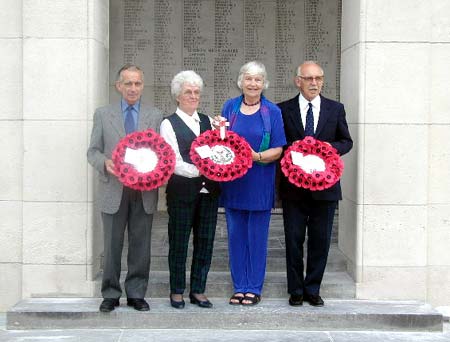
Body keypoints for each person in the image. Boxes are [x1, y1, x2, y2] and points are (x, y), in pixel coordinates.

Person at [87, 64, 163, 312]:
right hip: (114, 189)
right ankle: (110, 293)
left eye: (137, 83)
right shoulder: (103, 114)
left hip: (144, 191)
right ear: (118, 86)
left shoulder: (155, 115)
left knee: (141, 245)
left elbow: (162, 153)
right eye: (128, 83)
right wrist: (104, 163)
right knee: (111, 245)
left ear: (143, 86)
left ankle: (136, 293)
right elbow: (92, 151)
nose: (133, 88)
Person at [278, 61, 353, 307]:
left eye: (318, 78)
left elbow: (346, 141)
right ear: (298, 80)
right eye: (309, 78)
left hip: (326, 189)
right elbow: (280, 145)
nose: (314, 83)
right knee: (293, 239)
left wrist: (330, 148)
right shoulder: (283, 109)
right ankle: (296, 290)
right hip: (294, 189)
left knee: (320, 241)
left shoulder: (335, 109)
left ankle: (313, 289)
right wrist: (296, 154)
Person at [220, 61, 286, 305]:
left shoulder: (272, 112)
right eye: (248, 79)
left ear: (264, 83)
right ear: (241, 81)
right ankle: (239, 286)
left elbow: (278, 149)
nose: (253, 83)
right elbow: (221, 141)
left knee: (257, 237)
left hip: (260, 180)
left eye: (258, 79)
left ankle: (254, 287)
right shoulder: (230, 107)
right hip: (234, 182)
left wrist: (255, 156)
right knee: (236, 235)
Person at [160, 71, 220, 309]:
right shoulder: (168, 124)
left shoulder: (210, 122)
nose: (193, 96)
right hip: (181, 193)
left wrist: (218, 167)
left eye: (196, 92)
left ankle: (198, 289)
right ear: (177, 95)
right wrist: (204, 170)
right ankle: (176, 291)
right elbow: (172, 161)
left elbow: (220, 152)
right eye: (188, 92)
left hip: (209, 193)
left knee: (205, 241)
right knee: (179, 242)